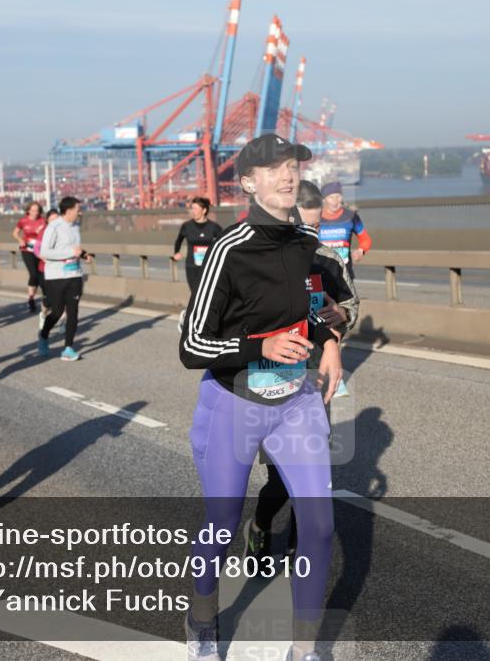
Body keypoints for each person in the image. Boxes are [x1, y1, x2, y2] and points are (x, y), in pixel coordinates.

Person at [179, 134, 342, 661]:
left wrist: (330, 340)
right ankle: (202, 616)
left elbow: (316, 305)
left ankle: (304, 649)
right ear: (248, 183)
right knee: (222, 526)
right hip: (234, 403)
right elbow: (192, 344)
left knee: (319, 525)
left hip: (296, 400)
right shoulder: (229, 250)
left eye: (292, 165)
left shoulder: (307, 244)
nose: (288, 175)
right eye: (273, 169)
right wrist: (260, 345)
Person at [244, 179, 359, 567]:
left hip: (315, 378)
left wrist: (341, 315)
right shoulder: (258, 258)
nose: (310, 235)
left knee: (309, 474)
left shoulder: (328, 258)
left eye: (316, 227)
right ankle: (260, 524)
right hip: (271, 377)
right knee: (280, 478)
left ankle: (298, 550)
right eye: (302, 226)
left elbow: (351, 305)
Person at [37, 197, 89, 361]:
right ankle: (44, 335)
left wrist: (84, 254)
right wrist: (70, 253)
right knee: (57, 312)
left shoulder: (76, 227)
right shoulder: (54, 227)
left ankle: (68, 348)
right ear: (69, 210)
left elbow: (75, 248)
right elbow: (45, 252)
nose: (79, 213)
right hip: (56, 276)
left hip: (75, 274)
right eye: (77, 209)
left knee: (73, 312)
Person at [318, 181, 372, 276]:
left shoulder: (351, 217)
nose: (335, 201)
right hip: (319, 273)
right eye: (331, 197)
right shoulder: (315, 217)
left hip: (344, 274)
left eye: (338, 196)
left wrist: (361, 251)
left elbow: (365, 239)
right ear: (323, 200)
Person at [172, 197, 224, 295]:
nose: (193, 211)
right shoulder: (187, 226)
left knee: (208, 293)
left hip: (208, 266)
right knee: (195, 293)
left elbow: (224, 241)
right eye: (192, 208)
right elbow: (178, 240)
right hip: (192, 266)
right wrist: (176, 252)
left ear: (204, 210)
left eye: (195, 208)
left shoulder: (214, 227)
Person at [12, 201, 45, 313]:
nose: (35, 213)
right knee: (33, 274)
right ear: (28, 211)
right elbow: (15, 233)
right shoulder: (23, 221)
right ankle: (31, 299)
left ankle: (33, 297)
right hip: (27, 250)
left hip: (39, 250)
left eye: (37, 211)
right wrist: (20, 240)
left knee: (39, 275)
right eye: (33, 210)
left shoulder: (42, 221)